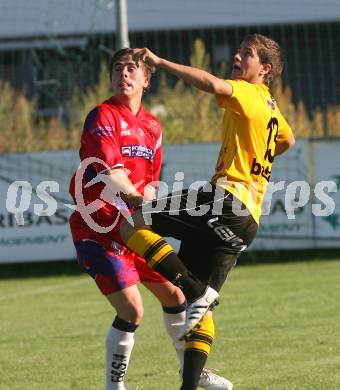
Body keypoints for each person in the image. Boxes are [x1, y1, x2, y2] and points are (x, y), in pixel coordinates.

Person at [115, 34, 295, 390]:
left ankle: (196, 289)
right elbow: (288, 140)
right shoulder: (271, 106)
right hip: (247, 222)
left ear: (266, 69)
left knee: (130, 224)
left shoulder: (248, 93)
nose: (238, 58)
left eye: (248, 55)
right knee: (200, 313)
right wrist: (259, 159)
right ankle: (191, 385)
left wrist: (162, 62)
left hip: (224, 199)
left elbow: (211, 83)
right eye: (240, 52)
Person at [68, 48, 231, 390]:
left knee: (175, 296)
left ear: (146, 80)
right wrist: (142, 202)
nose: (123, 74)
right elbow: (111, 175)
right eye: (117, 68)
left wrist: (152, 208)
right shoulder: (102, 116)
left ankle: (191, 371)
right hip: (99, 225)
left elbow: (152, 183)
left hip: (135, 227)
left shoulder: (153, 126)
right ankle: (115, 387)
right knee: (133, 310)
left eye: (132, 68)